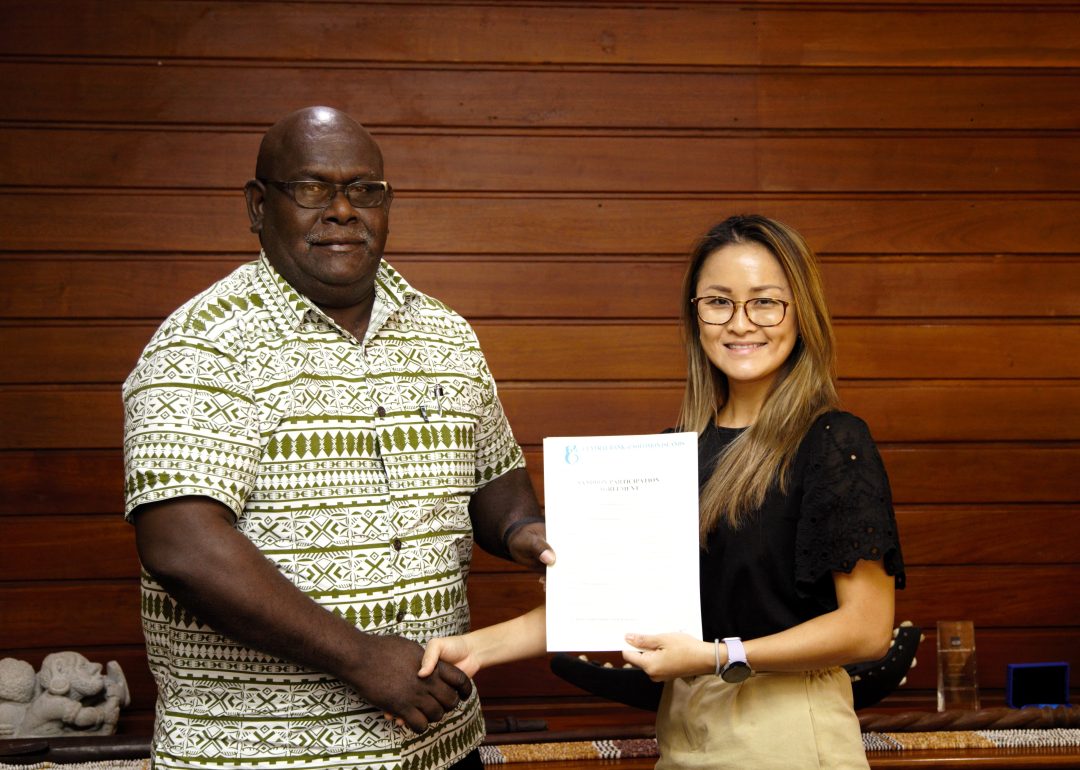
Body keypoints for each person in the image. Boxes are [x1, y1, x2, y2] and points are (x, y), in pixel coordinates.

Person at [122, 106, 553, 770]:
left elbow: (497, 488)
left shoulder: (445, 334)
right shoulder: (203, 344)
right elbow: (181, 548)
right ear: (258, 205)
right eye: (312, 188)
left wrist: (528, 534)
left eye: (364, 190)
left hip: (438, 746)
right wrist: (360, 657)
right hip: (263, 758)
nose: (344, 210)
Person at [421, 214, 905, 769]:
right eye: (718, 302)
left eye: (765, 302)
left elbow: (867, 629)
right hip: (686, 728)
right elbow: (606, 601)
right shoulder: (672, 451)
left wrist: (718, 656)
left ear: (802, 314)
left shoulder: (832, 441)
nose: (741, 323)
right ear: (695, 315)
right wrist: (474, 648)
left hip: (791, 732)